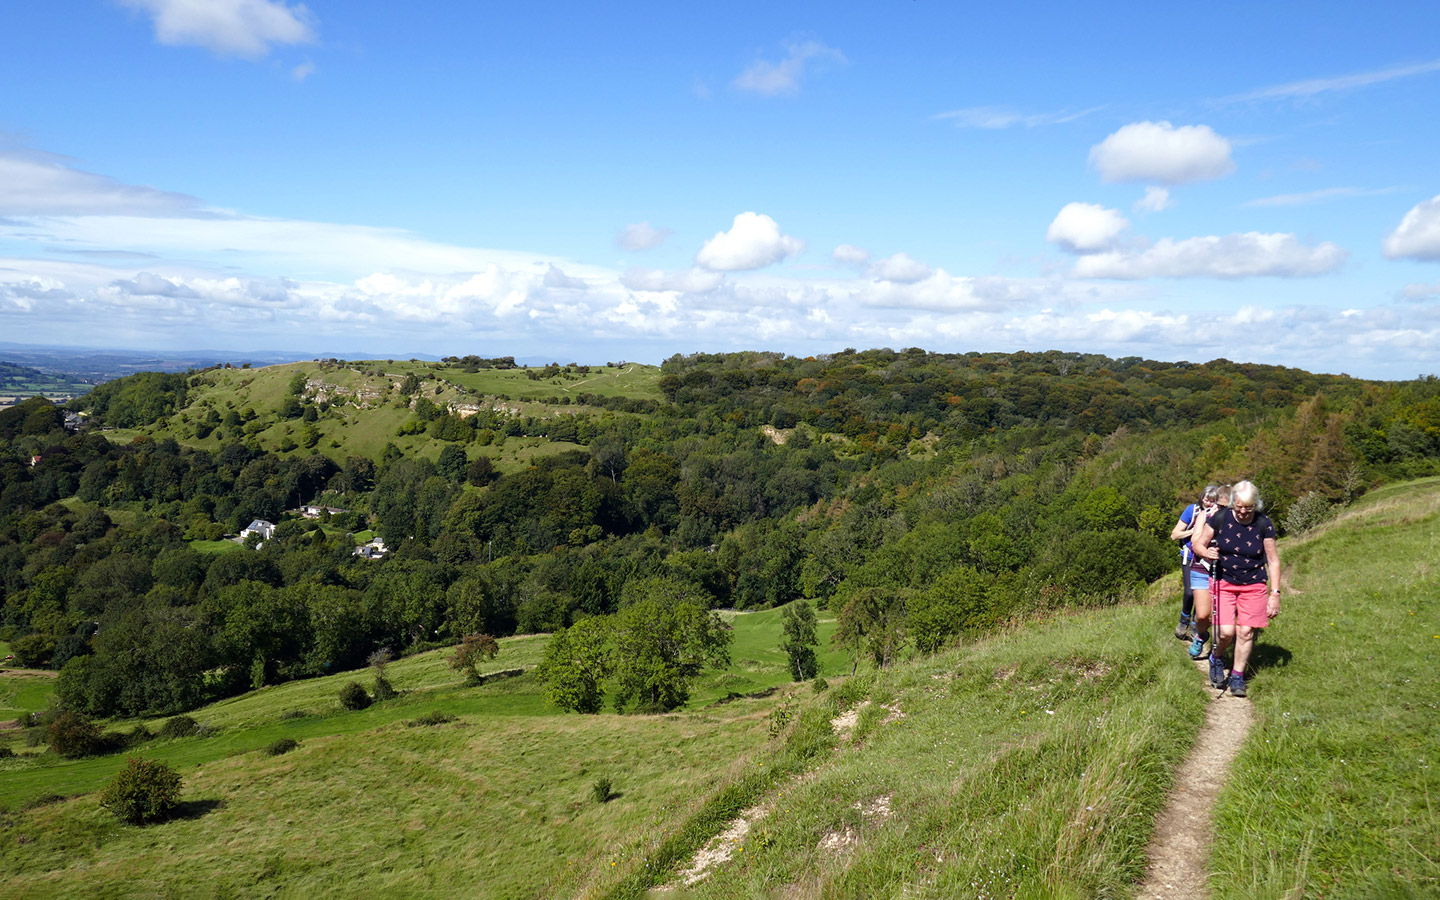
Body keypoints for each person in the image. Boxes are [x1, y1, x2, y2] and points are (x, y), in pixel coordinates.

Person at [1191, 480, 1281, 697]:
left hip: (1254, 583)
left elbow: (1273, 560)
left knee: (1246, 631)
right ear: (1232, 503)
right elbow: (1199, 543)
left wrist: (1275, 594)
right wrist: (1206, 553)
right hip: (1224, 581)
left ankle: (1237, 676)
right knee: (1226, 631)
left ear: (1255, 505)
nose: (1242, 511)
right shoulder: (1221, 518)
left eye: (1247, 507)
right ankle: (1217, 657)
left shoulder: (1264, 523)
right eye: (1238, 506)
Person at [1169, 485, 1222, 645]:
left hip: (1209, 560)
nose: (1209, 503)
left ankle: (1195, 625)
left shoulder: (1221, 515)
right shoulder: (1192, 511)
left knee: (1203, 596)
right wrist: (1193, 532)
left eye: (1213, 501)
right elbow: (1174, 535)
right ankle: (1184, 618)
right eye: (1206, 499)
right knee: (1189, 592)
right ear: (1202, 498)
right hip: (1190, 556)